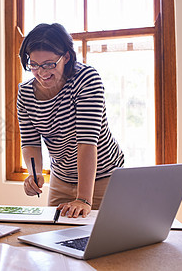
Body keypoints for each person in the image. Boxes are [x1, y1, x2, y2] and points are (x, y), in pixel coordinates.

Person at [17, 23, 124, 219]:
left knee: (102, 241)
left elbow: (86, 142)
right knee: (55, 238)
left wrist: (83, 199)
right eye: (34, 65)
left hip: (103, 177)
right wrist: (34, 173)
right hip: (61, 177)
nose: (42, 72)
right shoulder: (25, 93)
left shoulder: (86, 79)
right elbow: (30, 142)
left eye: (49, 64)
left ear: (66, 57)